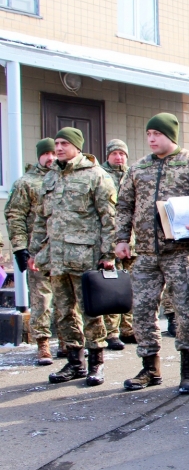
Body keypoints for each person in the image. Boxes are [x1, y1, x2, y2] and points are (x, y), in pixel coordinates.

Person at [116, 113, 189, 395]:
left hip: (180, 252)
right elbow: (123, 206)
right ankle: (150, 367)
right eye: (149, 134)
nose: (152, 139)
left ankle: (188, 370)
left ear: (171, 136)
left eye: (158, 134)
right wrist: (120, 239)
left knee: (185, 313)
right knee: (141, 312)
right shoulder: (137, 169)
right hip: (145, 254)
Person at [28, 128, 117, 386]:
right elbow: (41, 218)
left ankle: (96, 362)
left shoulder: (96, 176)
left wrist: (108, 253)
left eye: (64, 143)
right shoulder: (51, 177)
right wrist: (35, 251)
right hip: (55, 257)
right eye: (56, 143)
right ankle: (75, 361)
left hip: (85, 257)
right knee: (63, 311)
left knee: (90, 310)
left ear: (77, 147)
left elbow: (108, 217)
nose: (58, 148)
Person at [4, 138, 58, 365]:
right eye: (46, 153)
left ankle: (68, 342)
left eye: (54, 153)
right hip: (38, 250)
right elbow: (15, 215)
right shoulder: (26, 183)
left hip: (66, 250)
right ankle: (43, 343)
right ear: (39, 155)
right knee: (41, 299)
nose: (51, 157)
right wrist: (19, 248)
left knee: (67, 299)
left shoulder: (64, 179)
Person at [100, 139, 136, 349]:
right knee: (112, 287)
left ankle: (128, 329)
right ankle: (112, 332)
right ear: (108, 155)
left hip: (132, 242)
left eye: (122, 153)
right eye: (115, 153)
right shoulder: (100, 176)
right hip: (111, 240)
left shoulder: (131, 174)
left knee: (131, 286)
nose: (119, 157)